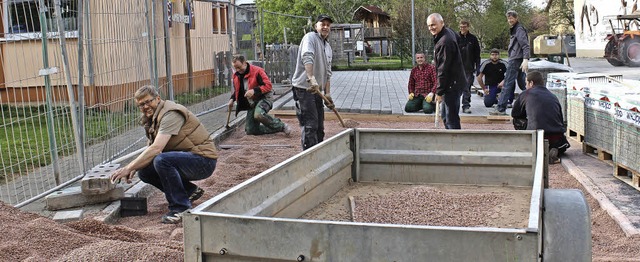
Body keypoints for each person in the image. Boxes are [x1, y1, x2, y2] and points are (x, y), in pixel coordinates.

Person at [110, 86, 218, 224]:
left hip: (204, 161)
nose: (145, 106)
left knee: (162, 160)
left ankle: (180, 208)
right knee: (145, 172)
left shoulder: (171, 113)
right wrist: (135, 167)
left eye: (148, 101)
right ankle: (189, 191)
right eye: (141, 104)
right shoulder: (153, 117)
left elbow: (156, 148)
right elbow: (150, 148)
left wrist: (128, 167)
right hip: (188, 157)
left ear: (158, 98)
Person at [291, 15, 334, 150]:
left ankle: (318, 152)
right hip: (304, 88)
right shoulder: (310, 38)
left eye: (328, 25)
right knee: (310, 124)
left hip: (317, 90)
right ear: (316, 26)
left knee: (320, 126)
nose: (325, 27)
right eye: (323, 24)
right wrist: (311, 79)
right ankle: (308, 156)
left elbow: (328, 73)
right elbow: (307, 56)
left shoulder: (327, 47)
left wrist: (327, 93)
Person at [511, 71, 570, 163]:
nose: (526, 86)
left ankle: (532, 146)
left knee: (516, 120)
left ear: (531, 83)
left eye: (526, 83)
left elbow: (515, 114)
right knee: (562, 143)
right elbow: (561, 120)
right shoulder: (553, 96)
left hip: (536, 134)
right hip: (556, 136)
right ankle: (554, 149)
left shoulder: (526, 94)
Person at [228, 54, 291, 136]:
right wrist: (232, 99)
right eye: (235, 68)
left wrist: (254, 91)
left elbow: (268, 85)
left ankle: (281, 126)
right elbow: (237, 90)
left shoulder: (258, 71)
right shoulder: (236, 75)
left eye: (239, 67)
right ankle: (277, 128)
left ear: (244, 63)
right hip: (252, 101)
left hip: (265, 97)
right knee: (250, 130)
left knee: (258, 114)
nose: (237, 70)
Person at [427, 13, 466, 129]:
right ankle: (450, 139)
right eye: (429, 26)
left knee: (451, 118)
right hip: (451, 82)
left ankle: (455, 143)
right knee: (445, 115)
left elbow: (443, 70)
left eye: (433, 25)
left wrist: (438, 92)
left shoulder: (444, 42)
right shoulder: (447, 32)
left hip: (452, 84)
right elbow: (459, 40)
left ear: (442, 23)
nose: (431, 28)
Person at [491, 10, 530, 116]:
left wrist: (526, 59)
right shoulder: (515, 29)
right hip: (518, 59)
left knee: (508, 83)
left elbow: (525, 45)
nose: (510, 20)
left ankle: (501, 108)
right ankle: (532, 103)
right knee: (523, 84)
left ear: (516, 18)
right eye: (508, 18)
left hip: (516, 60)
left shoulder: (519, 29)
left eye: (511, 18)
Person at [457, 20, 481, 114]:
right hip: (457, 68)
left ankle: (466, 105)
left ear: (468, 27)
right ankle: (454, 106)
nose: (462, 28)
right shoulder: (456, 38)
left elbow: (477, 55)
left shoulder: (473, 39)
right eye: (461, 27)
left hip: (469, 68)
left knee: (467, 88)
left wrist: (478, 67)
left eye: (464, 27)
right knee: (456, 88)